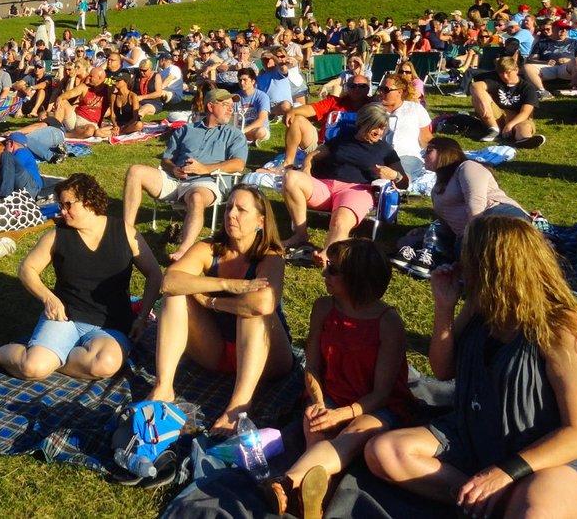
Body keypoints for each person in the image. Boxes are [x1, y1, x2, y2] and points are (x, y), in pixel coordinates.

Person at [366, 215, 577, 518]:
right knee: (384, 453)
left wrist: (505, 472)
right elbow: (444, 371)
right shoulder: (481, 308)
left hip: (551, 457)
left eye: (466, 251)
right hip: (477, 435)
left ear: (492, 265)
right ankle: (490, 501)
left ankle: (500, 498)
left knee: (535, 511)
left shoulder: (563, 330)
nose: (459, 257)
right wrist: (444, 308)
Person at [0, 174, 162, 379]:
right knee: (33, 368)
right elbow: (27, 269)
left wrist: (142, 317)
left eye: (68, 205)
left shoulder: (123, 232)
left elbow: (154, 274)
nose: (62, 211)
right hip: (65, 316)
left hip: (111, 322)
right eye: (61, 205)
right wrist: (48, 298)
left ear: (89, 202)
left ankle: (53, 357)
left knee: (105, 364)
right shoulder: (58, 235)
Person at [260, 239, 414, 517]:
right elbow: (312, 367)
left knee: (351, 435)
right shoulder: (322, 308)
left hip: (377, 406)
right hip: (332, 395)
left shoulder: (388, 322)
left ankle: (286, 483)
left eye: (333, 270)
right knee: (314, 422)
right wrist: (320, 402)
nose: (323, 275)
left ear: (356, 277)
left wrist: (342, 414)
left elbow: (382, 392)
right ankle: (311, 501)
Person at [147, 185, 294, 435]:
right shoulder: (210, 248)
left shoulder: (271, 256)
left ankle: (238, 405)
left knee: (252, 310)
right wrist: (227, 284)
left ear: (261, 221)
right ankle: (164, 387)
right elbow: (169, 281)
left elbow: (264, 303)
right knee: (174, 296)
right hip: (217, 350)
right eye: (228, 207)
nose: (231, 214)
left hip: (268, 356)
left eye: (241, 209)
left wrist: (213, 302)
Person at [121, 89, 249, 261]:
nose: (230, 109)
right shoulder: (186, 130)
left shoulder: (234, 135)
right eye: (225, 105)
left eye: (231, 106)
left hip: (205, 182)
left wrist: (205, 168)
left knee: (196, 198)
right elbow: (166, 159)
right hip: (174, 179)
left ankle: (183, 250)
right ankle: (126, 232)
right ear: (211, 106)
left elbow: (238, 164)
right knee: (135, 171)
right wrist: (174, 169)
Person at [281, 103, 408, 262]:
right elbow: (313, 155)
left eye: (383, 128)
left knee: (340, 220)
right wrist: (306, 169)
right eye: (375, 127)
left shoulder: (386, 150)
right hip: (326, 187)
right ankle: (300, 234)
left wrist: (394, 175)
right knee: (290, 177)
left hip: (357, 190)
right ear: (363, 124)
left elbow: (405, 183)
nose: (379, 132)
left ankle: (328, 253)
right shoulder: (342, 139)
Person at [392, 137, 528, 278]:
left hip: (497, 216)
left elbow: (475, 204)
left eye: (429, 151)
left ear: (445, 152)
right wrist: (427, 231)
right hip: (467, 234)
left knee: (489, 243)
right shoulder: (437, 189)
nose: (423, 155)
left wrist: (473, 236)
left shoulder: (467, 167)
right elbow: (447, 223)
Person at [470, 55, 545, 148]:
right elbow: (476, 86)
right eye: (501, 74)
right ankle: (494, 130)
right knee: (478, 93)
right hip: (497, 116)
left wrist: (510, 125)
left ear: (516, 70)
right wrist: (483, 104)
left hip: (518, 118)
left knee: (523, 126)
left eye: (508, 73)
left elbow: (526, 112)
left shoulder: (527, 87)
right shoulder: (496, 82)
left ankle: (524, 140)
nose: (505, 76)